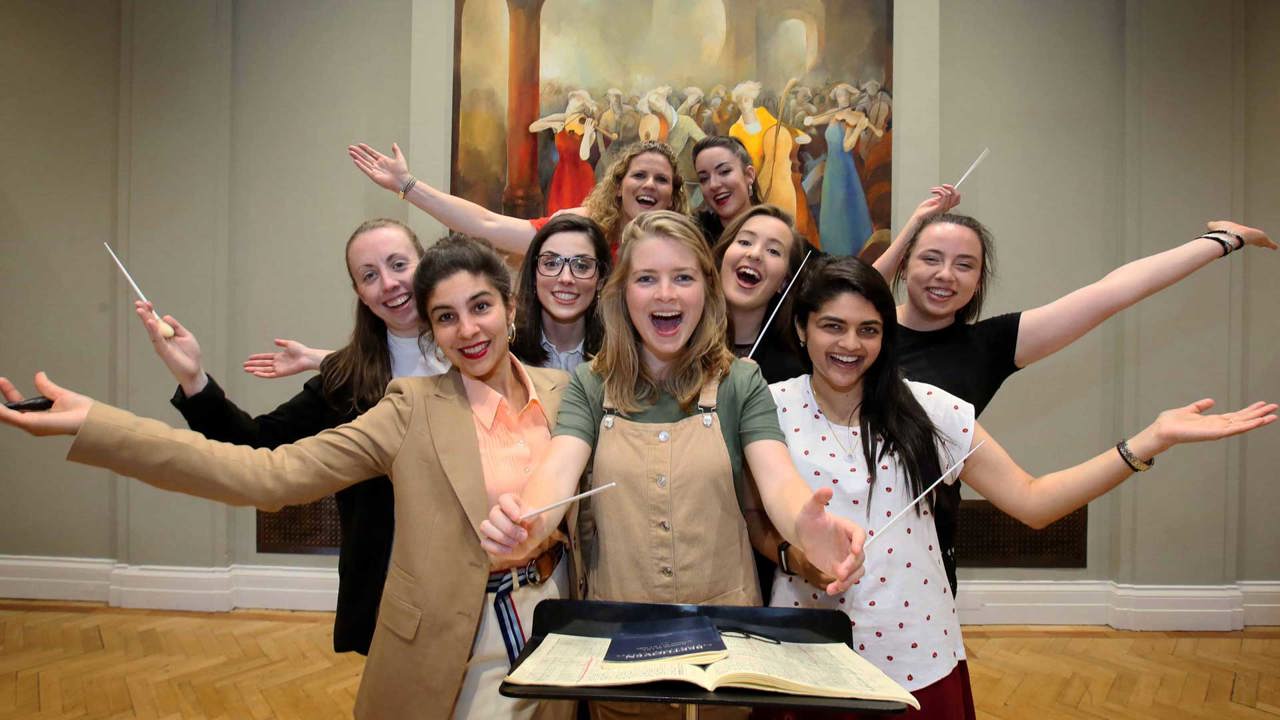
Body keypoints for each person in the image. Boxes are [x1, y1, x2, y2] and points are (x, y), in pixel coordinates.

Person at [0, 236, 578, 720]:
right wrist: (100, 426)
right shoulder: (410, 409)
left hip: (555, 618)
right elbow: (266, 472)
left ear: (509, 307)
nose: (467, 330)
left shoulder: (562, 394)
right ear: (429, 328)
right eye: (445, 317)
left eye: (481, 307)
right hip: (457, 636)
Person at [746, 255, 1275, 719]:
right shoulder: (766, 405)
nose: (849, 344)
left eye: (868, 329)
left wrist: (1148, 441)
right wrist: (799, 558)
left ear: (887, 335)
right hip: (806, 648)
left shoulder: (932, 410)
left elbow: (1033, 500)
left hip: (915, 651)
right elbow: (755, 521)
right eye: (832, 327)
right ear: (801, 329)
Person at [480, 211, 868, 720]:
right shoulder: (591, 386)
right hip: (618, 647)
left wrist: (808, 529)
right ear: (622, 295)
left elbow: (778, 481)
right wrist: (527, 522)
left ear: (706, 290)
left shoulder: (740, 382)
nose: (666, 294)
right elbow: (556, 472)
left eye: (683, 277)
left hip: (728, 649)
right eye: (647, 278)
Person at [891, 215, 1276, 593]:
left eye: (965, 265)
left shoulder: (986, 347)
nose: (946, 274)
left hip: (921, 553)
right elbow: (834, 291)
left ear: (977, 282)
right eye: (930, 258)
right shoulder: (852, 338)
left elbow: (1113, 291)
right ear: (904, 264)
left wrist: (1225, 240)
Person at [132, 218, 447, 656]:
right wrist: (193, 377)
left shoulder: (478, 353)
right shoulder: (345, 380)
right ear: (359, 293)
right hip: (391, 586)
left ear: (427, 265)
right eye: (370, 275)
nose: (389, 284)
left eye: (399, 264)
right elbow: (257, 445)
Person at [349, 139, 689, 257]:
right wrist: (407, 185)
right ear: (618, 185)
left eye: (661, 180)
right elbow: (487, 224)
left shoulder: (685, 249)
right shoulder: (580, 231)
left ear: (672, 197)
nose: (649, 185)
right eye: (639, 175)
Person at [509, 214, 612, 373]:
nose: (566, 278)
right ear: (534, 274)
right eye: (551, 263)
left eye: (581, 266)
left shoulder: (621, 353)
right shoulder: (506, 348)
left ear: (601, 280)